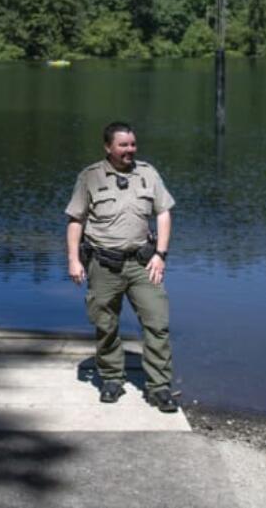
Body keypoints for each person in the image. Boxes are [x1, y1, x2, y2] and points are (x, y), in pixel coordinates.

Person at [65, 120, 179, 412]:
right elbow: (75, 220)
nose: (130, 150)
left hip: (143, 264)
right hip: (104, 265)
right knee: (106, 325)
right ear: (108, 147)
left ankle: (159, 387)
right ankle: (112, 379)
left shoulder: (148, 173)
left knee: (157, 323)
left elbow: (164, 213)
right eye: (123, 145)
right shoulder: (89, 177)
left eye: (133, 144)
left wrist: (161, 255)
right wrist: (74, 260)